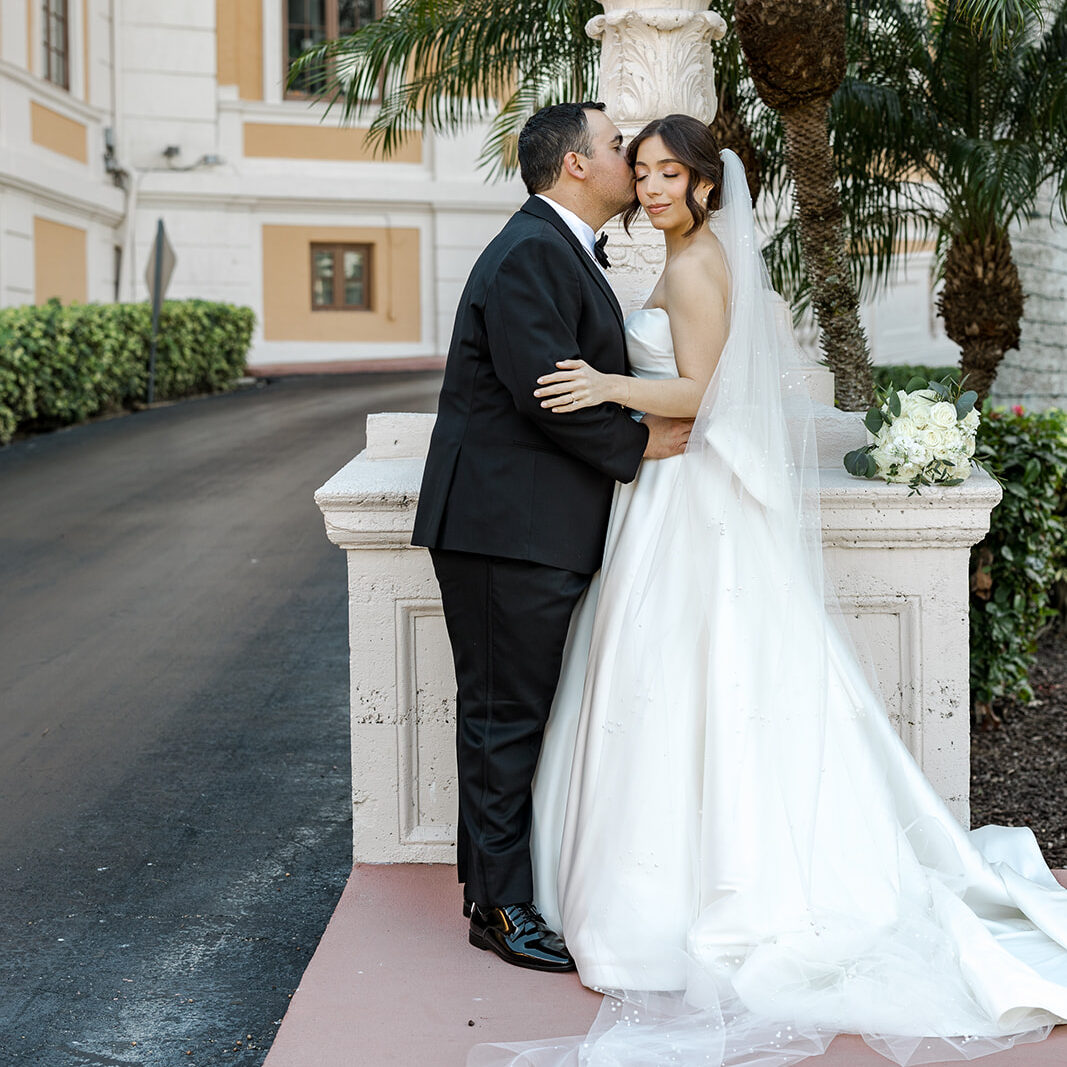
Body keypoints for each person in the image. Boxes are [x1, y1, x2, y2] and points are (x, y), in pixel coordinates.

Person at [472, 115, 1067, 1065]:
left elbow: (706, 392)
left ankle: (705, 890)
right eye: (648, 171)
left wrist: (607, 385)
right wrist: (622, 394)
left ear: (707, 187)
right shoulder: (678, 258)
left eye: (673, 174)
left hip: (690, 498)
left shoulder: (701, 263)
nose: (656, 186)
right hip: (667, 493)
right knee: (661, 679)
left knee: (701, 673)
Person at [411, 102, 692, 974]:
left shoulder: (552, 246)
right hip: (506, 529)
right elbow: (548, 391)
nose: (630, 162)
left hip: (524, 525)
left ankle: (489, 887)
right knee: (503, 719)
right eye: (616, 149)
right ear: (575, 165)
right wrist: (643, 445)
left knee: (509, 714)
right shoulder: (533, 249)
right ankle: (498, 908)